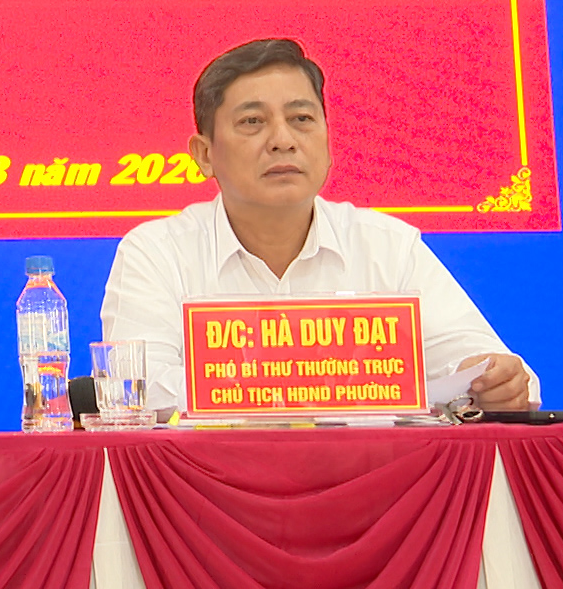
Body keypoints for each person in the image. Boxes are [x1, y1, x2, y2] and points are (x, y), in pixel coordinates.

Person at [99, 38, 537, 415]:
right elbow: (135, 392)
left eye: (302, 119)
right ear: (204, 154)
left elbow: (488, 367)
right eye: (252, 122)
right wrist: (303, 380)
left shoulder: (387, 247)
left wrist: (494, 383)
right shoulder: (156, 252)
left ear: (328, 143)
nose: (283, 140)